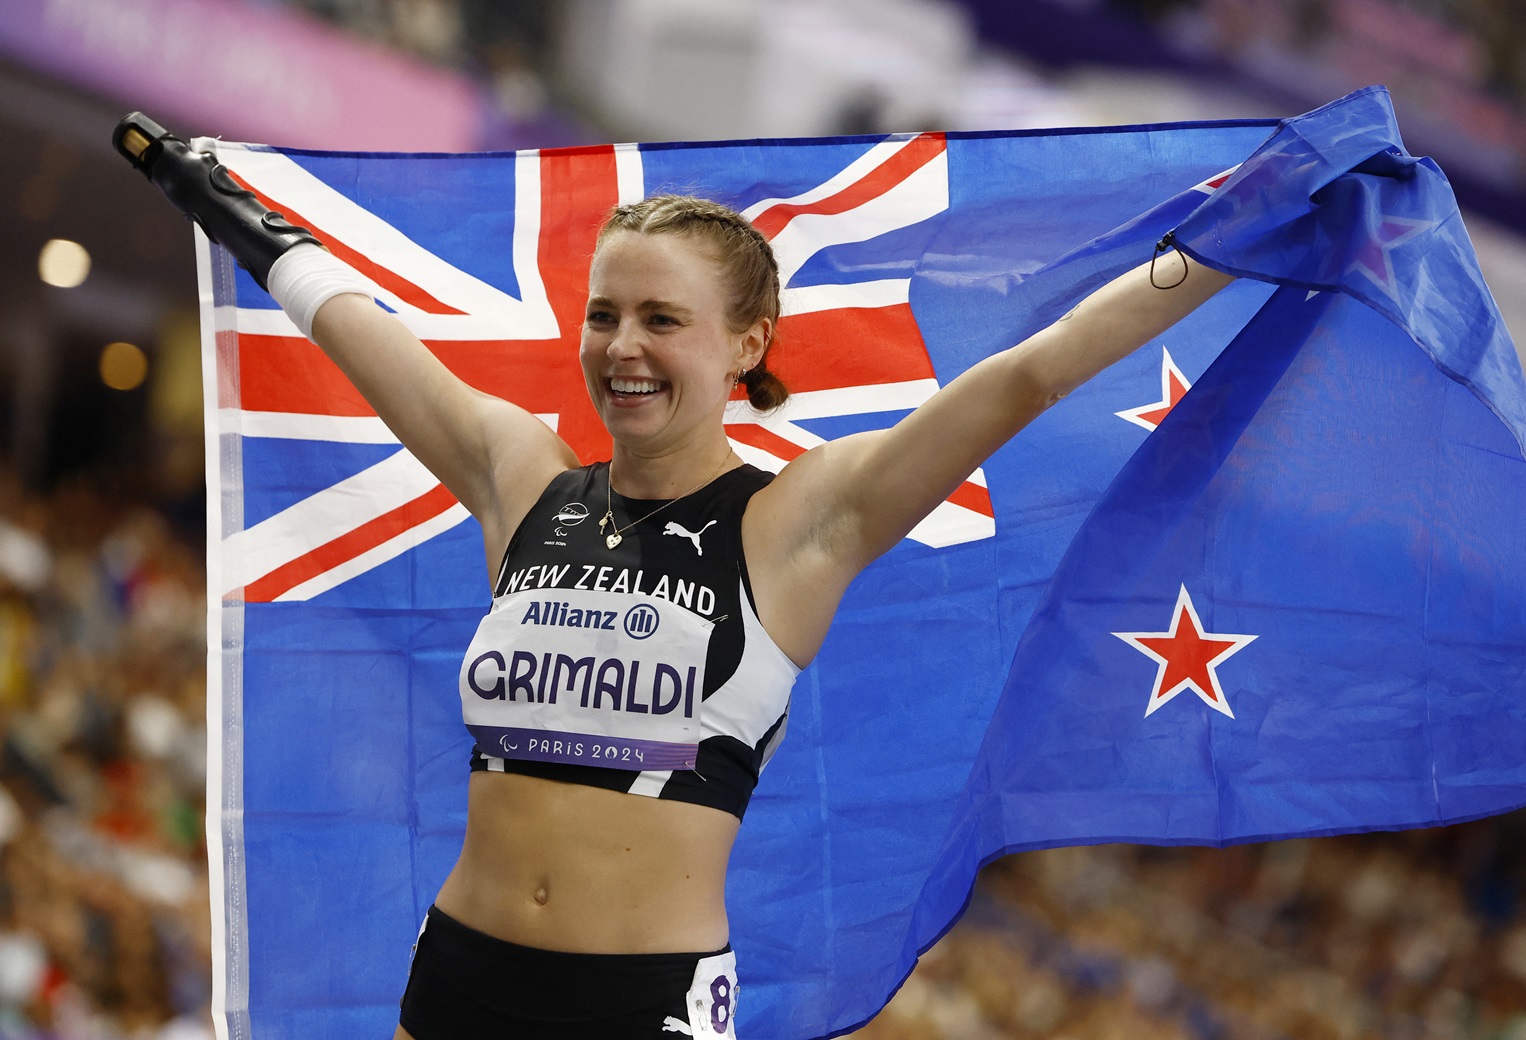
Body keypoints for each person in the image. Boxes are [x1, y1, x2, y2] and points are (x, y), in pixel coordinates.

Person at [114, 113, 1234, 1039]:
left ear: (748, 342)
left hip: (642, 1005)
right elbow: (366, 335)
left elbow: (1026, 376)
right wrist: (228, 209)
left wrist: (1229, 240)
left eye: (662, 319)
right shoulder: (525, 481)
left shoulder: (806, 518)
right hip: (456, 975)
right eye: (603, 315)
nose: (621, 346)